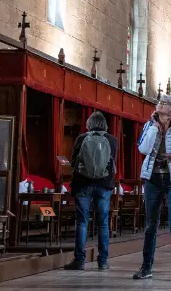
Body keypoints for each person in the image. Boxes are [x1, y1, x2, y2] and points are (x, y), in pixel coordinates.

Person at [133, 95, 171, 281]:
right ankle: (146, 268)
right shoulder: (149, 125)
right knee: (151, 226)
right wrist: (154, 129)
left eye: (164, 104)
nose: (160, 105)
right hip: (153, 179)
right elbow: (143, 149)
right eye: (159, 103)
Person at [63, 111, 118, 271]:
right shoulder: (112, 140)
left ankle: (79, 260)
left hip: (83, 184)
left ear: (89, 123)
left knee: (82, 222)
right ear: (105, 125)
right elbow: (112, 164)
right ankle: (102, 261)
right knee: (103, 223)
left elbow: (73, 162)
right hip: (104, 185)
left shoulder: (81, 138)